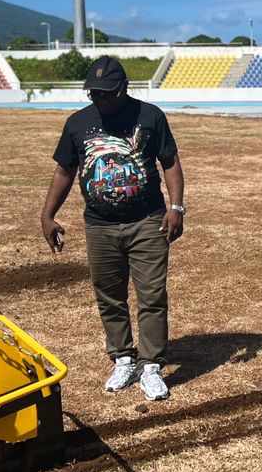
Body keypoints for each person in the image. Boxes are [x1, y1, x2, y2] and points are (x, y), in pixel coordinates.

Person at [40, 55, 185, 401]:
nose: (101, 100)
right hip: (100, 226)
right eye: (94, 94)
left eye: (107, 93)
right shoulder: (78, 123)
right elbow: (64, 171)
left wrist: (176, 207)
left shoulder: (150, 116)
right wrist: (47, 215)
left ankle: (151, 365)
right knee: (109, 294)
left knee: (152, 294)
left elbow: (170, 162)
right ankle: (123, 358)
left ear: (123, 88)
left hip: (147, 221)